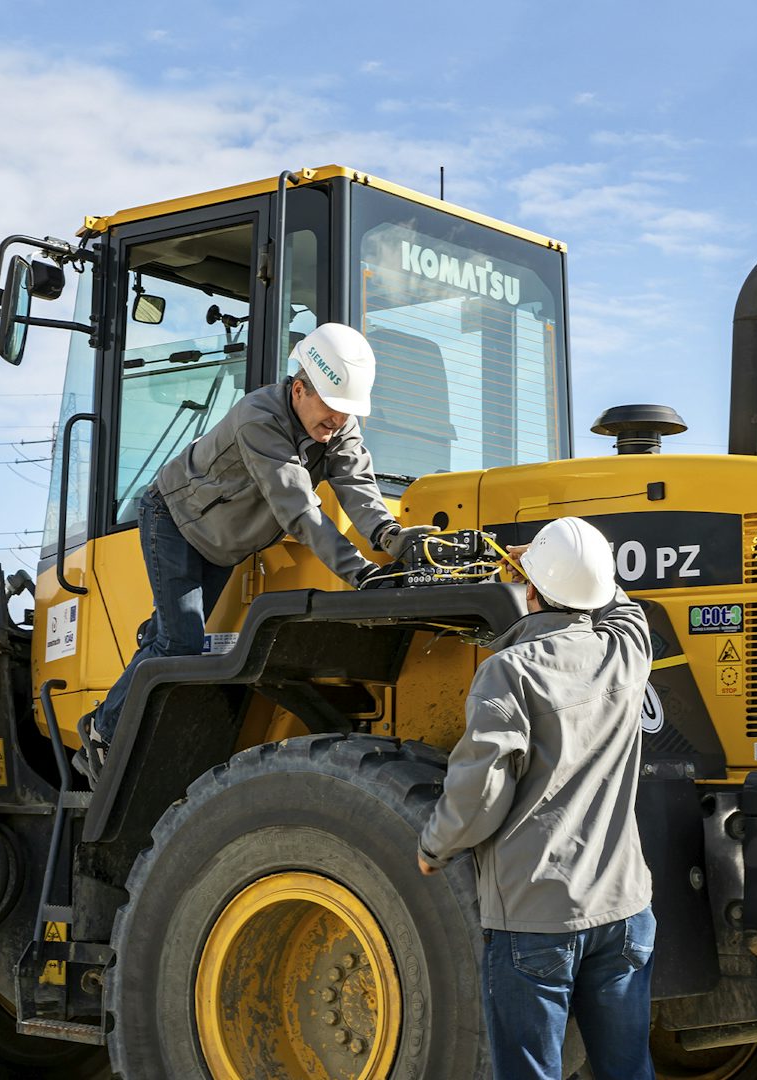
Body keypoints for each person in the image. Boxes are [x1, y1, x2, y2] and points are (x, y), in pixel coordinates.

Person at [75, 323, 434, 780]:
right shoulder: (258, 418)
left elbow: (358, 487)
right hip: (175, 521)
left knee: (171, 633)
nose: (337, 424)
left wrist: (390, 536)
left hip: (226, 541)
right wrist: (361, 573)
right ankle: (101, 730)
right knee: (182, 643)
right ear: (300, 388)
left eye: (346, 414)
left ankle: (147, 658)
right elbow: (300, 510)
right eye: (330, 413)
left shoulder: (338, 425)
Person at [417, 516, 655, 1080]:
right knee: (628, 1070)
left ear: (527, 590)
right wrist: (574, 568)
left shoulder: (508, 672)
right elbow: (625, 609)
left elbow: (479, 796)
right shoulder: (626, 653)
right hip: (625, 911)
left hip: (536, 919)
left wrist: (433, 845)